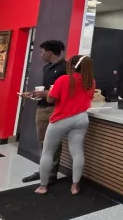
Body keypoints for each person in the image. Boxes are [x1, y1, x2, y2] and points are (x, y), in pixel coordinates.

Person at [35, 55, 95, 196]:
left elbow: (50, 99)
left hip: (61, 119)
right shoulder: (91, 82)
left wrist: (48, 92)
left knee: (48, 152)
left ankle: (43, 186)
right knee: (77, 152)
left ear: (72, 66)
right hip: (81, 119)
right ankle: (75, 186)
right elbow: (89, 97)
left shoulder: (63, 79)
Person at [21, 40, 67, 184]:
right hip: (42, 107)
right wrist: (33, 94)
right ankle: (43, 170)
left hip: (56, 109)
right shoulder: (46, 68)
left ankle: (51, 173)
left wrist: (47, 93)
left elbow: (65, 90)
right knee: (42, 141)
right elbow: (47, 89)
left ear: (49, 52)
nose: (41, 54)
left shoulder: (66, 68)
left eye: (42, 51)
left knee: (53, 142)